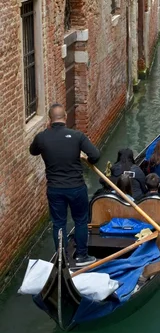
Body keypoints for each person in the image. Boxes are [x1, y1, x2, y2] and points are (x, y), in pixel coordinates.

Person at [29, 103, 100, 266]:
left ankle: (63, 259)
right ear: (65, 117)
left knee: (58, 223)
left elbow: (33, 151)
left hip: (55, 189)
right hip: (76, 187)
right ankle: (82, 257)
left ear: (50, 119)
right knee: (81, 220)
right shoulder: (77, 136)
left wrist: (47, 136)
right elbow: (95, 155)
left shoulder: (42, 137)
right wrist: (87, 160)